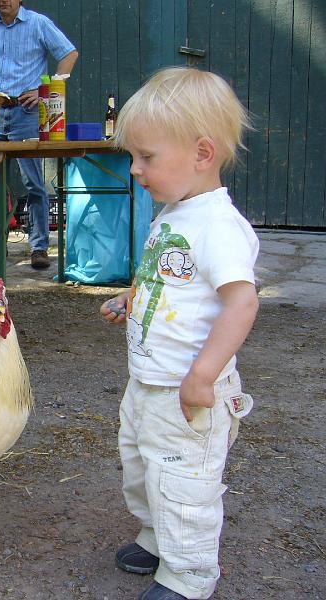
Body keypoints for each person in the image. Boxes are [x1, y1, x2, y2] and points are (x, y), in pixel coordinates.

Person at [100, 67, 259, 600]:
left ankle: (189, 576)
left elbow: (241, 302)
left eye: (147, 157)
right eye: (133, 156)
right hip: (148, 382)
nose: (135, 169)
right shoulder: (174, 215)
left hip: (187, 389)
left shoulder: (219, 226)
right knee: (142, 466)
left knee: (184, 482)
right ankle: (155, 537)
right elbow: (172, 281)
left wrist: (204, 375)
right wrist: (133, 296)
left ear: (202, 154)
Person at [0, 0, 78, 270]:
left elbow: (69, 54)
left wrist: (46, 89)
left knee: (34, 183)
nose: (4, 0)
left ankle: (39, 248)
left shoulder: (38, 24)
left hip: (27, 113)